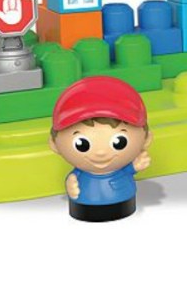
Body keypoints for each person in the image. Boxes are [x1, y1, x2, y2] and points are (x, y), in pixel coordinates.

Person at [49, 76, 152, 222]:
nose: (101, 152)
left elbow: (129, 170)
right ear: (54, 144)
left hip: (125, 203)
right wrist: (70, 183)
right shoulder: (78, 175)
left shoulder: (123, 167)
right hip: (85, 207)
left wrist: (135, 166)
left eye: (119, 142)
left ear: (146, 139)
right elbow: (73, 178)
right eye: (82, 144)